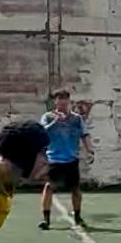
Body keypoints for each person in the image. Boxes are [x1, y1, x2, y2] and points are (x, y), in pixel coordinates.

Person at [38, 89, 94, 230]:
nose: (62, 103)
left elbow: (84, 135)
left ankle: (77, 216)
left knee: (76, 190)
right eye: (59, 100)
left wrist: (90, 150)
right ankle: (46, 219)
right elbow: (42, 132)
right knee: (49, 187)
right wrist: (55, 122)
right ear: (55, 102)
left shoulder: (76, 119)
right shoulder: (48, 117)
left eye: (65, 100)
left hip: (71, 159)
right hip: (54, 159)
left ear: (69, 102)